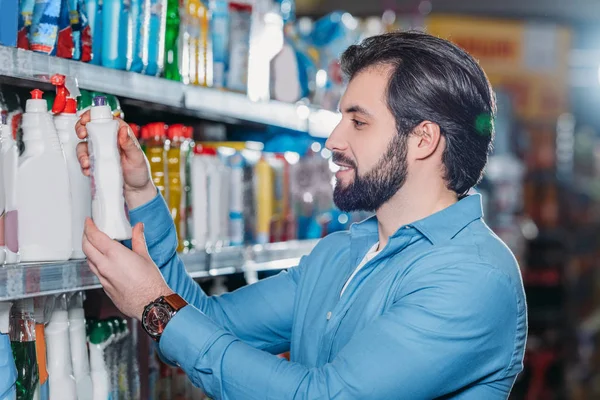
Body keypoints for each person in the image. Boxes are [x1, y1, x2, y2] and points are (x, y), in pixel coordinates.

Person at [75, 31, 527, 399]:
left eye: (359, 121)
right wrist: (140, 193)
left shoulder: (473, 277)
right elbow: (207, 321)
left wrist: (155, 306)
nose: (333, 139)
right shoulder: (341, 254)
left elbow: (326, 396)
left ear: (423, 140)